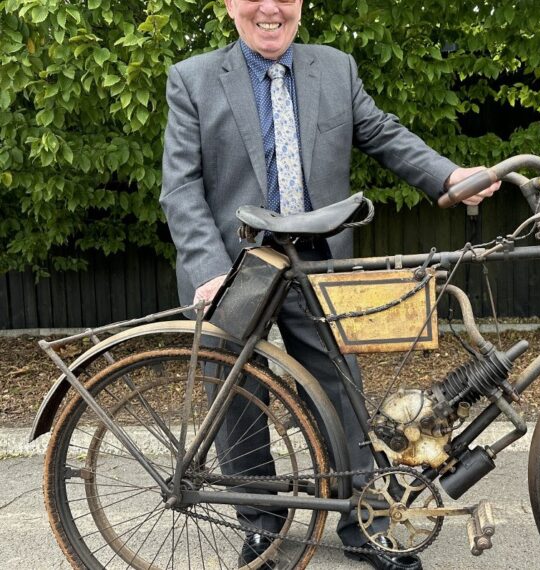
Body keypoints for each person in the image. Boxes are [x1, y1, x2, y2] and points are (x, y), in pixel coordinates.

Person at [159, 0, 498, 568]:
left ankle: (362, 523)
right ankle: (261, 524)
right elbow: (181, 188)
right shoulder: (192, 79)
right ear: (228, 6)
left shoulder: (333, 68)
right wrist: (207, 272)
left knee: (340, 394)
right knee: (238, 398)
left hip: (319, 263)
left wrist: (448, 175)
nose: (270, 8)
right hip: (235, 267)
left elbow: (384, 134)